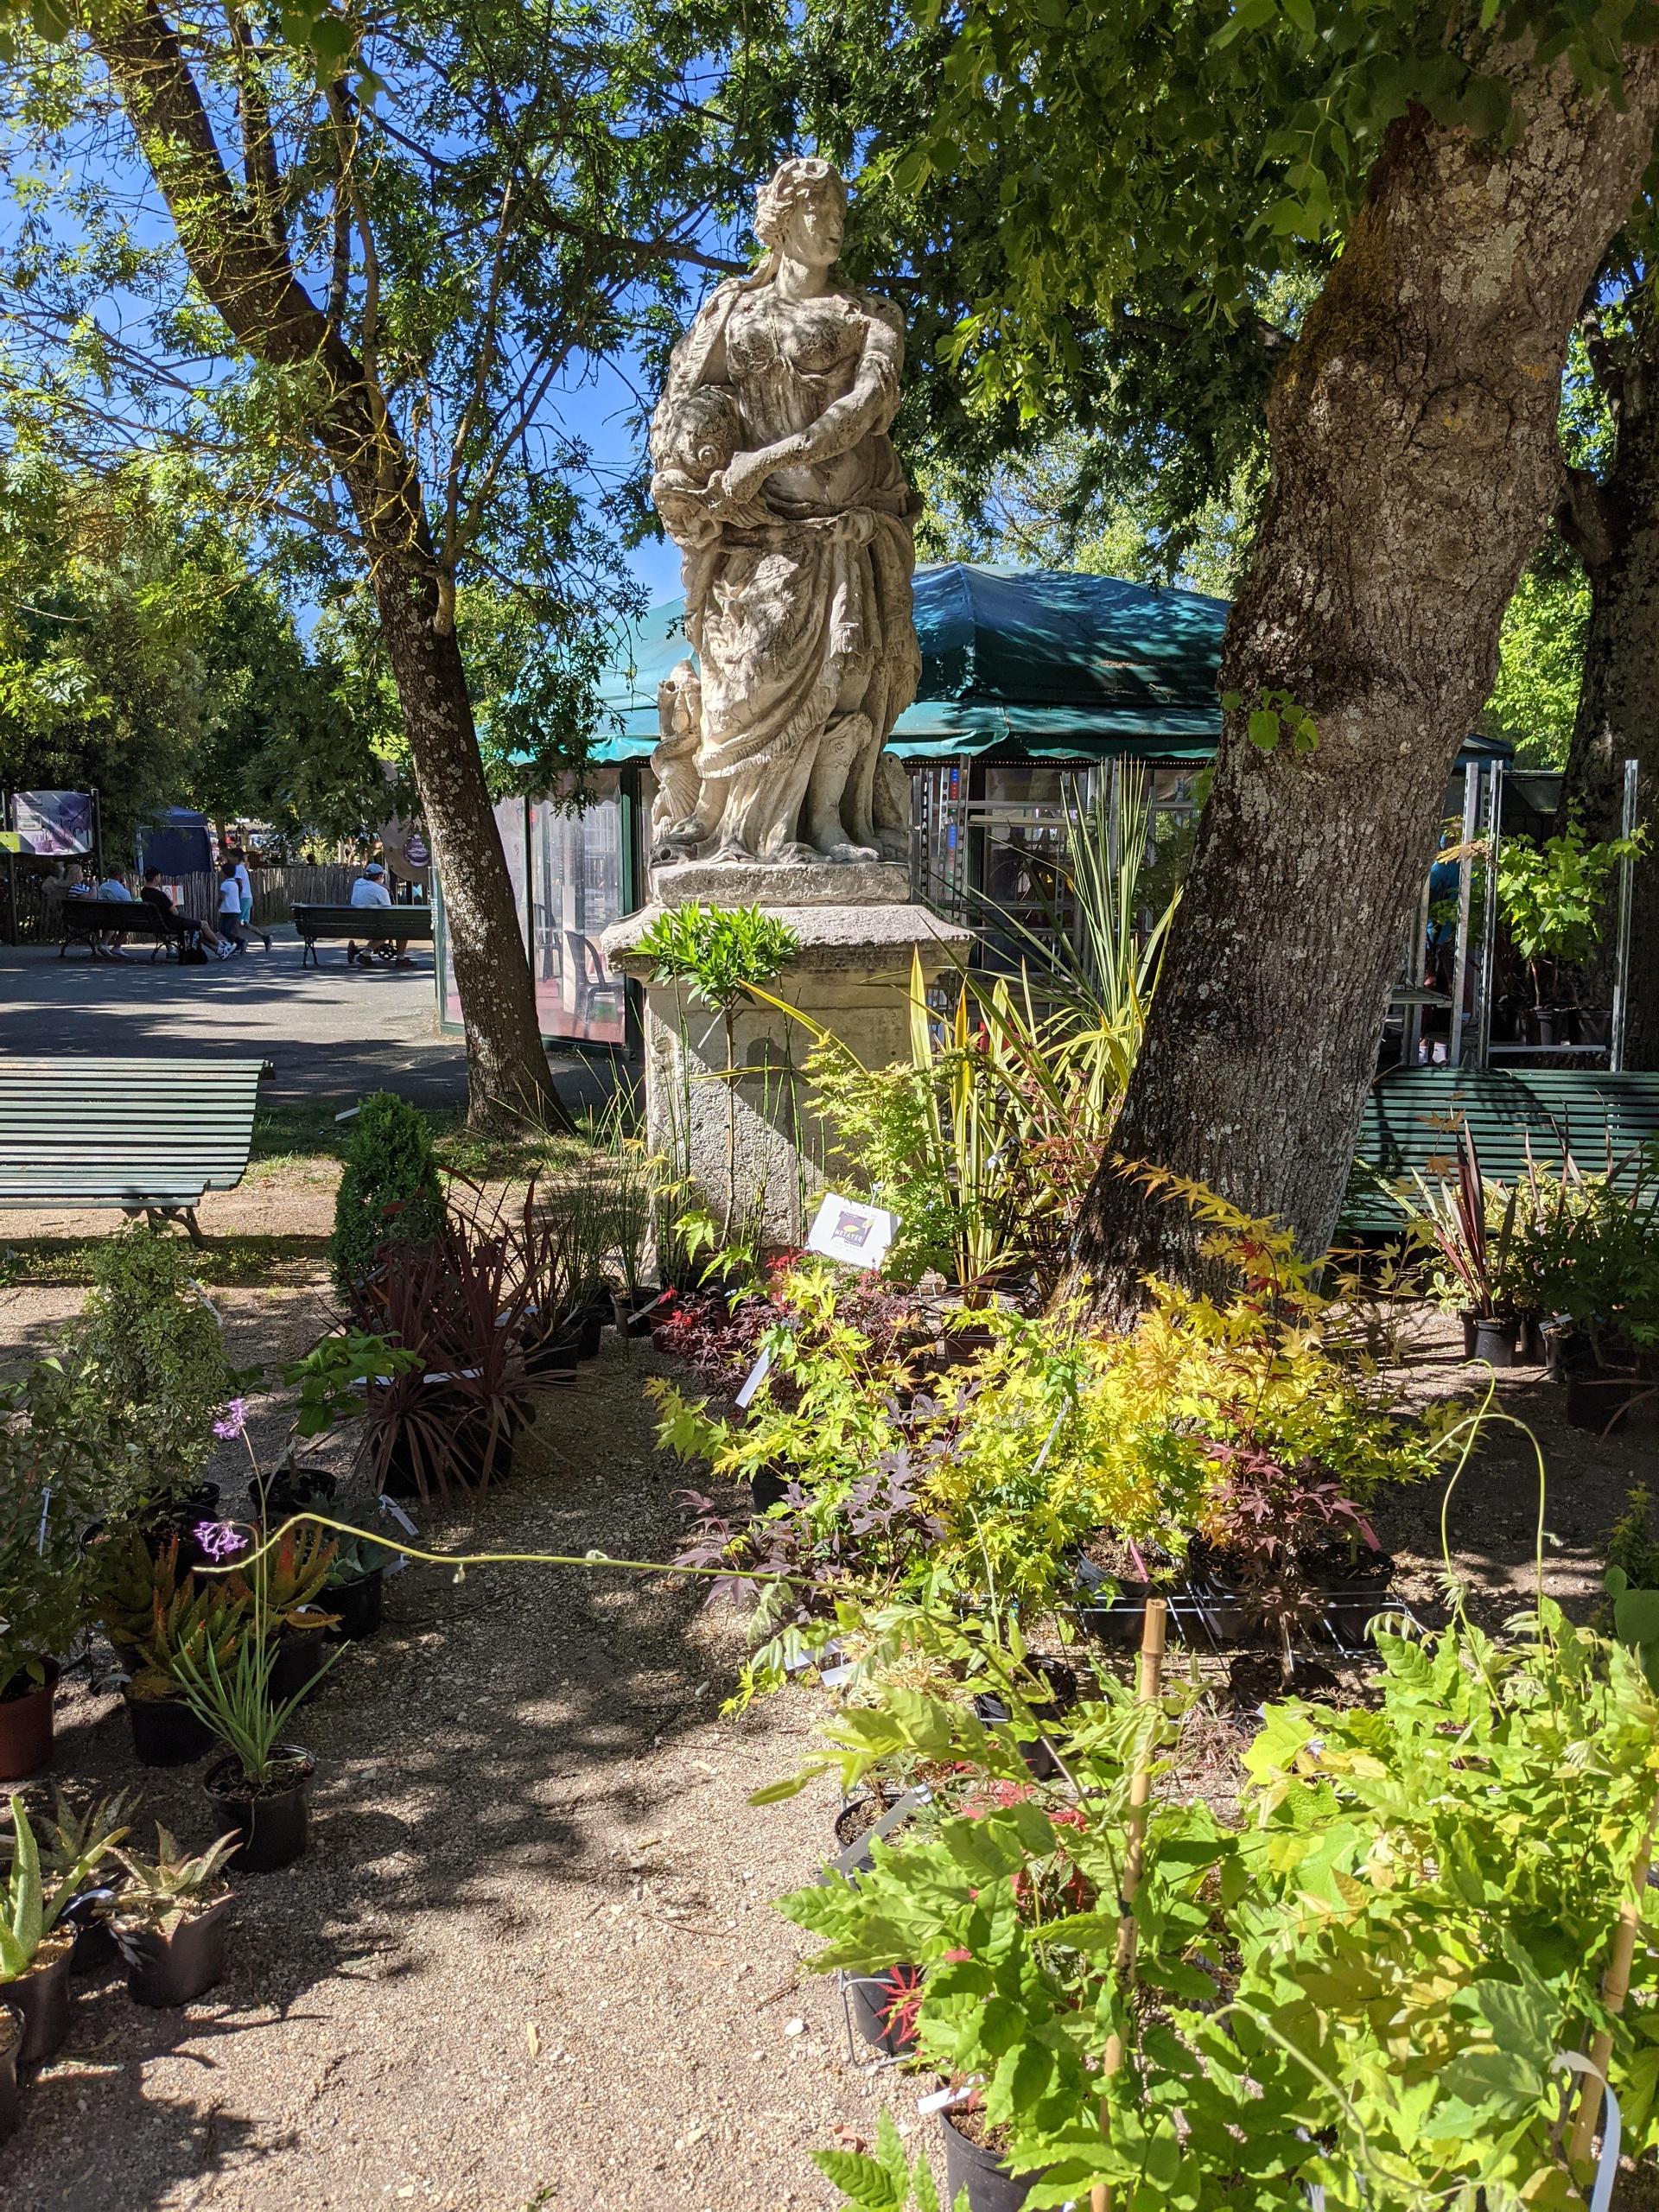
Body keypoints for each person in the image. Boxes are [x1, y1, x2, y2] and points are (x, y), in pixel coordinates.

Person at [139, 867, 225, 954]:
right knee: (204, 925)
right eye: (159, 875)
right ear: (156, 877)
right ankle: (221, 946)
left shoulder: (143, 893)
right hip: (170, 924)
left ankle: (219, 950)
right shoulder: (160, 895)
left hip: (156, 923)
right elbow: (175, 912)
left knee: (196, 929)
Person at [347, 861, 412, 967]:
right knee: (401, 929)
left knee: (381, 928)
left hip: (358, 925)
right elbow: (389, 910)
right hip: (375, 926)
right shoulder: (380, 890)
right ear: (380, 876)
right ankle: (400, 958)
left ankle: (366, 953)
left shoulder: (357, 884)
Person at [95, 864, 136, 957]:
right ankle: (114, 946)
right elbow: (131, 906)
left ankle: (108, 945)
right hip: (115, 919)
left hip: (100, 917)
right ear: (120, 875)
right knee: (125, 921)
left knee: (113, 916)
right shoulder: (123, 892)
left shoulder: (102, 887)